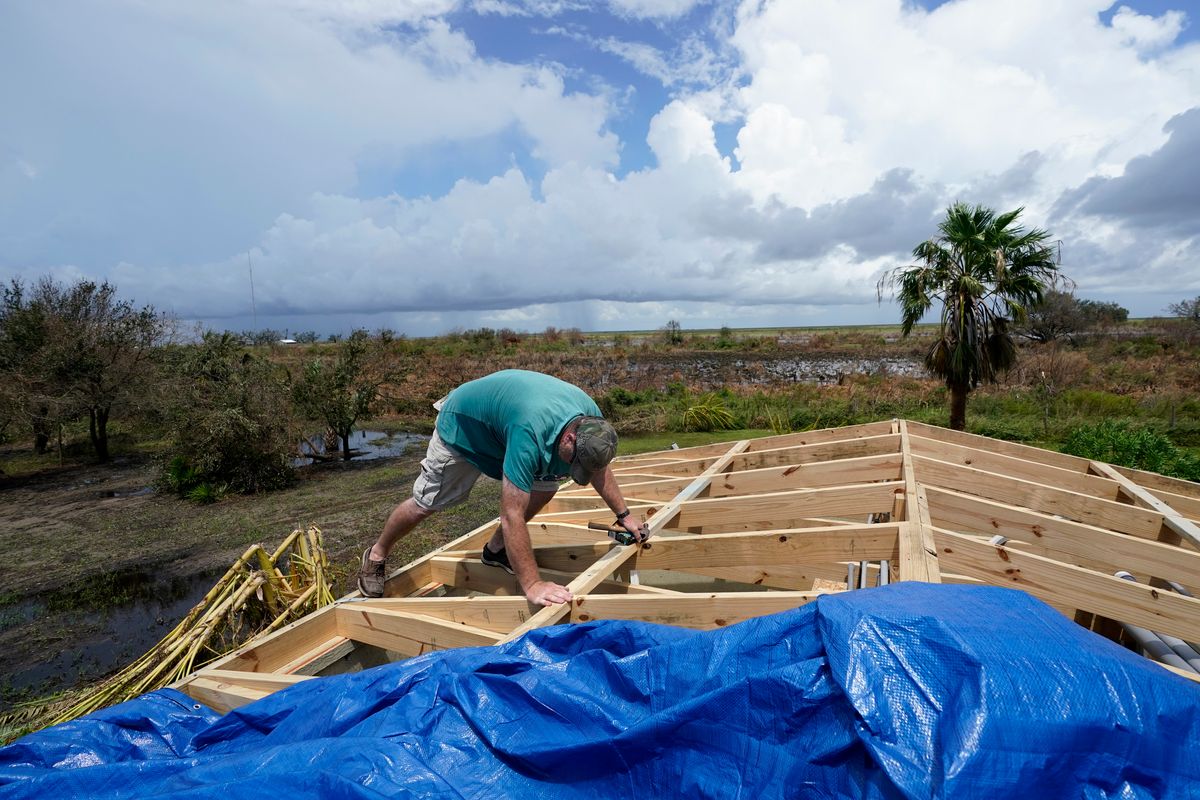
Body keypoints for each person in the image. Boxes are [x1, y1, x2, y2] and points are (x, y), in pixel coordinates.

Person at [358, 369, 648, 606]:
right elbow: (512, 514)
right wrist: (532, 584)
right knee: (427, 503)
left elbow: (598, 469)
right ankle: (376, 555)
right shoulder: (529, 432)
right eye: (574, 462)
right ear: (570, 438)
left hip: (502, 426)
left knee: (546, 487)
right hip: (463, 426)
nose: (573, 469)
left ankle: (495, 550)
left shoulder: (592, 422)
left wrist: (624, 515)